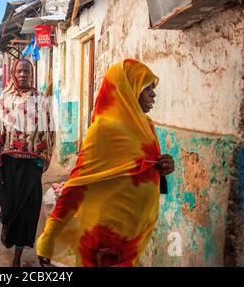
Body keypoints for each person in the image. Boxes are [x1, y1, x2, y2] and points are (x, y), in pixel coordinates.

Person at [36, 59, 175, 267]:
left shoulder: (146, 126)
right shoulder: (103, 130)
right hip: (104, 240)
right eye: (147, 88)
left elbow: (142, 168)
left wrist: (164, 167)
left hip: (133, 240)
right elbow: (77, 185)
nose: (153, 94)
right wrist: (48, 238)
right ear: (130, 90)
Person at [0, 58, 55, 267]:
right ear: (14, 73)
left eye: (27, 71)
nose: (23, 75)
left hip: (31, 166)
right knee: (9, 208)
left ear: (31, 73)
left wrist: (43, 159)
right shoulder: (5, 98)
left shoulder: (40, 98)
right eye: (19, 71)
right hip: (9, 163)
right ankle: (7, 226)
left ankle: (17, 256)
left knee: (29, 211)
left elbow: (49, 130)